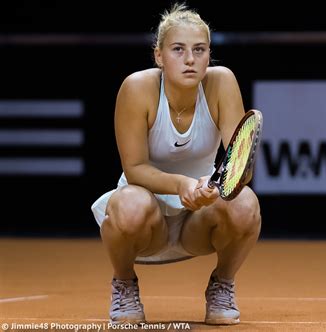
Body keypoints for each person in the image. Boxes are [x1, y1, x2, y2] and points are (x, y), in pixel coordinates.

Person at [90, 2, 261, 326]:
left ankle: (222, 283)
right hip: (145, 221)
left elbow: (241, 165)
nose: (189, 59)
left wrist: (214, 188)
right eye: (178, 49)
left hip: (198, 221)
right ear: (159, 56)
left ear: (209, 54)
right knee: (126, 204)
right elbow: (135, 168)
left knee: (244, 203)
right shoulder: (137, 88)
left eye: (199, 50)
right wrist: (181, 185)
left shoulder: (222, 82)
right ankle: (124, 283)